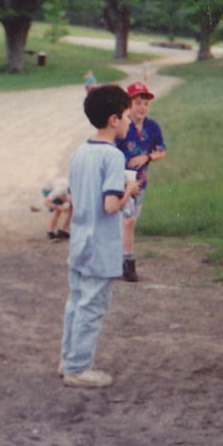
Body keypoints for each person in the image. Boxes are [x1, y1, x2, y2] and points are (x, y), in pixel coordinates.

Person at [60, 85, 141, 387]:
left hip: (80, 241)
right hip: (101, 245)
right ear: (113, 120)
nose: (130, 122)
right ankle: (78, 368)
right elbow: (110, 205)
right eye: (127, 116)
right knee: (92, 308)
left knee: (76, 302)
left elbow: (72, 196)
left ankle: (68, 358)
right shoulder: (113, 157)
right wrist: (128, 191)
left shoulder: (80, 151)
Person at [115, 82, 166, 282]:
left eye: (145, 104)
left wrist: (147, 157)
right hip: (121, 180)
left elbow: (161, 152)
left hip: (141, 182)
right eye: (138, 103)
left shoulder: (152, 127)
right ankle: (128, 262)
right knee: (129, 220)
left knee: (128, 220)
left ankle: (121, 258)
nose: (142, 108)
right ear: (129, 105)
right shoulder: (121, 125)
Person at [42, 175, 72, 241]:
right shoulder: (60, 191)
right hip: (48, 189)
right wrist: (58, 207)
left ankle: (62, 230)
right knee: (57, 211)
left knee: (72, 210)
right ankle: (50, 233)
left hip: (60, 187)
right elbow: (46, 202)